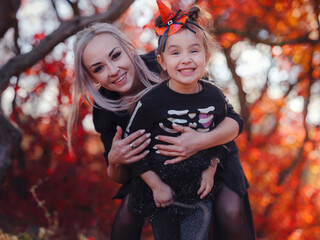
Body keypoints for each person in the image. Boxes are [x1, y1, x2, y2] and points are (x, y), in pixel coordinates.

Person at [69, 13, 255, 240]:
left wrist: (200, 142)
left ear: (129, 49)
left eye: (116, 56)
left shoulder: (171, 60)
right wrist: (116, 160)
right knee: (127, 217)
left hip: (213, 150)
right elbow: (120, 176)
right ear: (90, 76)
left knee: (230, 210)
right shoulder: (105, 110)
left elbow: (231, 121)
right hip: (155, 169)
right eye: (98, 68)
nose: (113, 70)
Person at [124, 2, 233, 239]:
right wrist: (155, 185)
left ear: (206, 57)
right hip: (162, 190)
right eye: (175, 53)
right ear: (162, 61)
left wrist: (211, 170)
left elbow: (221, 140)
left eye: (194, 51)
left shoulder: (214, 97)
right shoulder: (151, 102)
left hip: (199, 190)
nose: (186, 59)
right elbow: (132, 147)